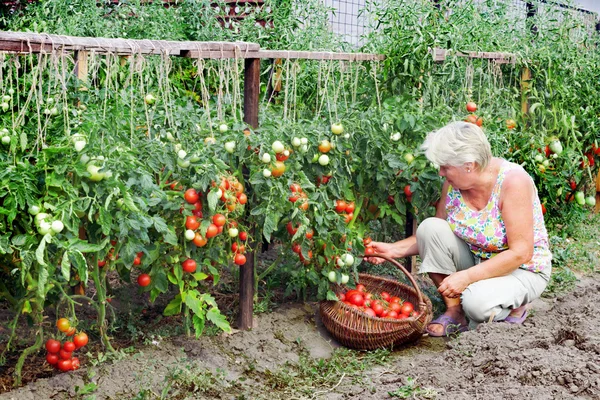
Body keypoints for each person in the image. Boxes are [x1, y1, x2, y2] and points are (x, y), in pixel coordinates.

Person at [367, 121, 552, 337]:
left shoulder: (513, 182)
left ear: (469, 165)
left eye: (445, 167)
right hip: (477, 259)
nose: (441, 172)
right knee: (430, 227)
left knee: (476, 303)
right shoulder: (455, 184)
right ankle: (455, 311)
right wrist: (392, 250)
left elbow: (521, 252)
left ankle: (515, 306)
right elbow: (434, 235)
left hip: (521, 269)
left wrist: (466, 278)